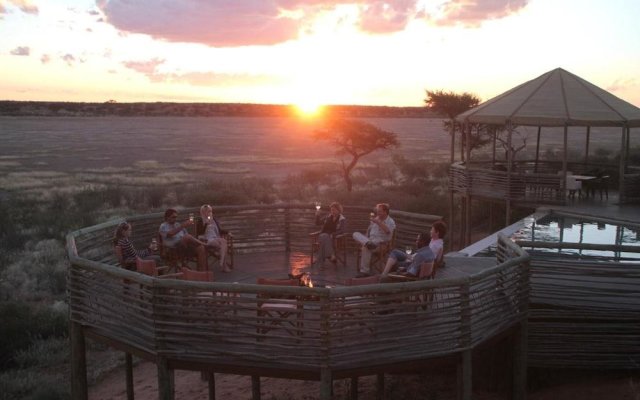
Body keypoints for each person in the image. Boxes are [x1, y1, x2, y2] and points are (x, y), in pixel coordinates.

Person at [352, 203, 396, 277]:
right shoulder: (376, 219)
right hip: (370, 240)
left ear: (385, 212)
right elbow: (369, 231)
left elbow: (388, 232)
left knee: (365, 248)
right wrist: (364, 238)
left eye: (379, 211)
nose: (377, 213)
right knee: (355, 234)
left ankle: (365, 271)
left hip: (381, 244)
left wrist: (378, 222)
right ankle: (368, 243)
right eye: (377, 211)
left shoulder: (390, 221)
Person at [197, 204, 231, 273]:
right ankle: (224, 265)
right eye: (207, 211)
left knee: (223, 241)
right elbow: (199, 233)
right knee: (223, 246)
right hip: (206, 240)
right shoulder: (200, 221)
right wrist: (206, 224)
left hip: (216, 238)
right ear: (203, 212)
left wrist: (228, 232)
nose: (209, 213)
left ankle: (221, 261)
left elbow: (220, 230)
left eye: (210, 211)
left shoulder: (214, 220)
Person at [313, 201, 346, 268]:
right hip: (325, 236)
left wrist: (333, 234)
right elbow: (318, 223)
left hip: (335, 239)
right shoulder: (328, 217)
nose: (332, 211)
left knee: (322, 241)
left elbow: (342, 230)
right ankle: (331, 255)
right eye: (331, 210)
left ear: (338, 210)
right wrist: (317, 215)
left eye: (334, 210)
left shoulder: (342, 219)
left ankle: (321, 262)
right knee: (324, 236)